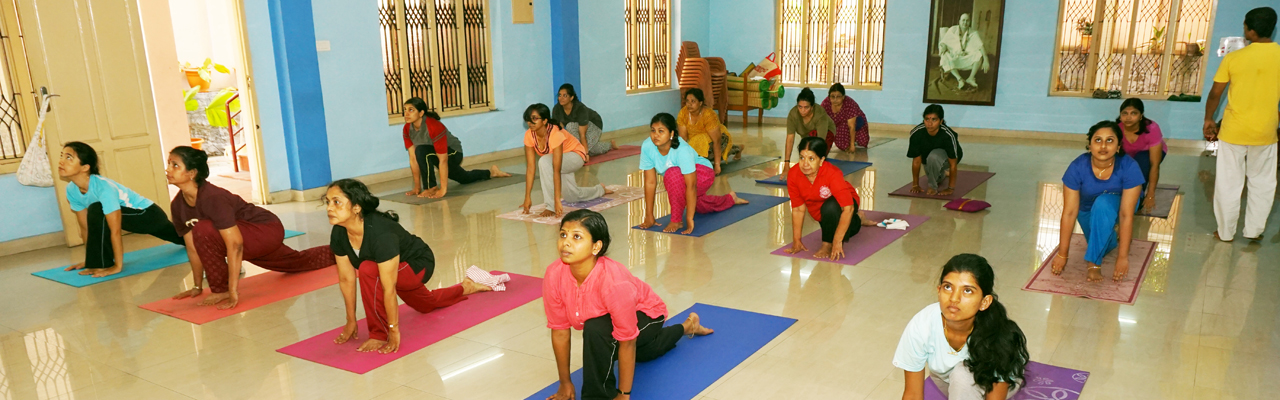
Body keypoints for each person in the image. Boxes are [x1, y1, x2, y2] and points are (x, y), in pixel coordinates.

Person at [543, 210, 715, 400]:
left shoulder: (613, 282)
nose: (566, 242)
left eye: (577, 237)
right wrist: (565, 383)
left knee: (596, 330)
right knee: (644, 352)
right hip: (614, 320)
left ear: (596, 247)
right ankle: (688, 326)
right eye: (563, 234)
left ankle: (596, 396)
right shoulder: (554, 274)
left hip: (647, 313)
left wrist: (624, 395)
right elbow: (559, 331)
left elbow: (627, 340)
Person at [324, 179, 492, 353]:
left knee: (367, 268)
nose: (329, 208)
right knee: (425, 305)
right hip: (389, 268)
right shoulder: (339, 231)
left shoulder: (381, 234)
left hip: (417, 262)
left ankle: (377, 333)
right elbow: (346, 278)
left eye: (336, 202)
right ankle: (466, 287)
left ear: (357, 207)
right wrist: (351, 320)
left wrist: (393, 329)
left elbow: (388, 289)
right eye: (328, 202)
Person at [166, 146, 336, 310]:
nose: (168, 170)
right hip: (248, 237)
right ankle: (339, 251)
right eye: (168, 164)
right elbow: (192, 248)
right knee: (295, 261)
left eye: (175, 165)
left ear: (192, 173)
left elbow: (235, 244)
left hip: (264, 229)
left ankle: (221, 289)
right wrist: (196, 286)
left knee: (203, 229)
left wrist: (231, 290)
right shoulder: (177, 205)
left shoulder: (213, 198)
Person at [894, 254, 1029, 400]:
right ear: (938, 291)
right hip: (946, 379)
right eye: (948, 287)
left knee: (962, 375)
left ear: (984, 302)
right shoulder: (922, 324)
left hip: (996, 381)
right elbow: (912, 394)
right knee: (958, 379)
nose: (954, 298)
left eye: (967, 291)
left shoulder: (999, 335)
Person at [1202, 6, 1279, 242]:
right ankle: (1254, 231)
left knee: (1228, 184)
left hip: (1233, 131)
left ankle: (1225, 233)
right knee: (1263, 183)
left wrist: (1209, 119)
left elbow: (1216, 93)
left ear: (1250, 30)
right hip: (1266, 132)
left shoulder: (1233, 58)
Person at [58, 141, 183, 278]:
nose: (61, 161)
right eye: (62, 156)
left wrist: (117, 266)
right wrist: (91, 261)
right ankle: (100, 261)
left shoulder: (103, 187)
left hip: (148, 215)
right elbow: (85, 228)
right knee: (183, 238)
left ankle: (199, 237)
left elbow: (115, 230)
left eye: (69, 157)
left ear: (85, 167)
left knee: (97, 208)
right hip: (132, 217)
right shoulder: (71, 189)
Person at [1052, 121, 1144, 283]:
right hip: (1087, 209)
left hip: (1121, 206)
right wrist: (1062, 253)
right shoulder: (1077, 167)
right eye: (1097, 140)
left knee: (1103, 203)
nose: (1103, 146)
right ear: (1089, 145)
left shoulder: (1129, 166)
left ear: (1118, 146)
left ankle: (1093, 264)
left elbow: (1125, 215)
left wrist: (1123, 258)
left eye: (1109, 140)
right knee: (1105, 245)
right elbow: (1070, 212)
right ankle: (1110, 237)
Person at [637, 113, 750, 234]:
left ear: (671, 134)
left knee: (672, 175)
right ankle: (730, 199)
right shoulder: (647, 146)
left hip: (703, 172)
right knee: (698, 205)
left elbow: (691, 186)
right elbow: (650, 182)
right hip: (680, 178)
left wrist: (689, 218)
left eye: (661, 131)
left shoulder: (682, 150)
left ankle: (676, 220)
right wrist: (649, 215)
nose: (656, 135)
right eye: (653, 130)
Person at [783, 136, 876, 261]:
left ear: (821, 160)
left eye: (811, 159)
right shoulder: (794, 174)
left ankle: (826, 244)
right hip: (822, 211)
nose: (805, 164)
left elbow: (847, 208)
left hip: (846, 203)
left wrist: (836, 242)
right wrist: (796, 240)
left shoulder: (832, 173)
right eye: (802, 157)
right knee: (849, 227)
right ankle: (859, 218)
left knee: (830, 207)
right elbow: (798, 209)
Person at [401, 97, 510, 198]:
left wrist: (443, 189)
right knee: (464, 178)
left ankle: (431, 187)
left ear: (421, 113)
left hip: (453, 152)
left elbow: (443, 160)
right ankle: (491, 172)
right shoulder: (407, 129)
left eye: (411, 110)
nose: (406, 113)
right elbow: (413, 158)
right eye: (405, 110)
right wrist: (416, 188)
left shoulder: (434, 126)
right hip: (434, 153)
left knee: (421, 150)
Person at [520, 103, 610, 218]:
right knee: (572, 197)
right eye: (528, 119)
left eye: (534, 119)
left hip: (575, 156)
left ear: (544, 120)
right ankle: (600, 189)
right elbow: (530, 168)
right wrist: (527, 197)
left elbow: (556, 169)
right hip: (558, 160)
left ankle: (549, 206)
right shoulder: (529, 135)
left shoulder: (555, 133)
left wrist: (556, 201)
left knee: (544, 161)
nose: (530, 123)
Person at [1115, 98, 1168, 212]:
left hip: (1148, 154)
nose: (1128, 117)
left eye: (1133, 113)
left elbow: (1154, 165)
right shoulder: (1116, 130)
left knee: (1141, 162)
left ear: (1140, 116)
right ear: (1120, 116)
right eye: (1125, 113)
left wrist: (1150, 194)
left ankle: (1138, 196)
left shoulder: (1152, 129)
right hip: (1128, 155)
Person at [677, 88, 741, 174]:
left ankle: (738, 149)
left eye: (693, 101)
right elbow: (683, 139)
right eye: (687, 101)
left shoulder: (709, 115)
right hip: (696, 142)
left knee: (709, 152)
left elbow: (716, 140)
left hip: (719, 137)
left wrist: (717, 165)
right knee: (695, 145)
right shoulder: (683, 113)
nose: (689, 104)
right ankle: (737, 148)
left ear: (700, 103)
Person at [907, 104, 964, 195]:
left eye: (934, 119)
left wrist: (950, 188)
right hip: (928, 159)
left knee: (934, 157)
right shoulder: (916, 133)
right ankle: (943, 173)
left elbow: (953, 164)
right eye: (927, 119)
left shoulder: (948, 135)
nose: (930, 124)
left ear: (941, 121)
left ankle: (932, 187)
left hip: (949, 158)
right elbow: (917, 161)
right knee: (934, 171)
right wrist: (915, 185)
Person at [783, 88, 837, 181]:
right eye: (800, 107)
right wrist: (786, 164)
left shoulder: (820, 114)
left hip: (827, 133)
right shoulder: (793, 114)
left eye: (806, 107)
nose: (802, 111)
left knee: (813, 151)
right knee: (804, 150)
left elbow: (820, 141)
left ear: (812, 107)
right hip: (809, 136)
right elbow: (790, 138)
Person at [553, 83, 618, 156]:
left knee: (571, 128)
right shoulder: (557, 109)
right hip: (576, 127)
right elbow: (560, 130)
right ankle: (609, 145)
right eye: (559, 95)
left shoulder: (580, 109)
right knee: (591, 149)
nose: (561, 98)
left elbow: (582, 134)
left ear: (571, 97)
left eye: (565, 96)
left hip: (594, 124)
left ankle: (579, 152)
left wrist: (584, 154)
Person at [938, 13, 990, 90]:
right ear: (959, 21)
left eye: (967, 20)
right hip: (954, 57)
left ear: (970, 22)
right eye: (963, 20)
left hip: (966, 57)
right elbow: (944, 42)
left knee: (978, 54)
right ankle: (960, 79)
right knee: (944, 55)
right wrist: (944, 46)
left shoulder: (973, 32)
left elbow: (981, 46)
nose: (965, 22)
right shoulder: (953, 29)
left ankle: (970, 78)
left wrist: (986, 59)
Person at [821, 83, 870, 150]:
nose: (835, 100)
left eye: (838, 97)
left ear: (843, 97)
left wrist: (852, 145)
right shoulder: (825, 104)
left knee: (862, 142)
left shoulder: (849, 104)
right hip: (839, 126)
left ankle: (854, 141)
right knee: (843, 145)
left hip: (856, 124)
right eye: (832, 96)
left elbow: (852, 126)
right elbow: (821, 122)